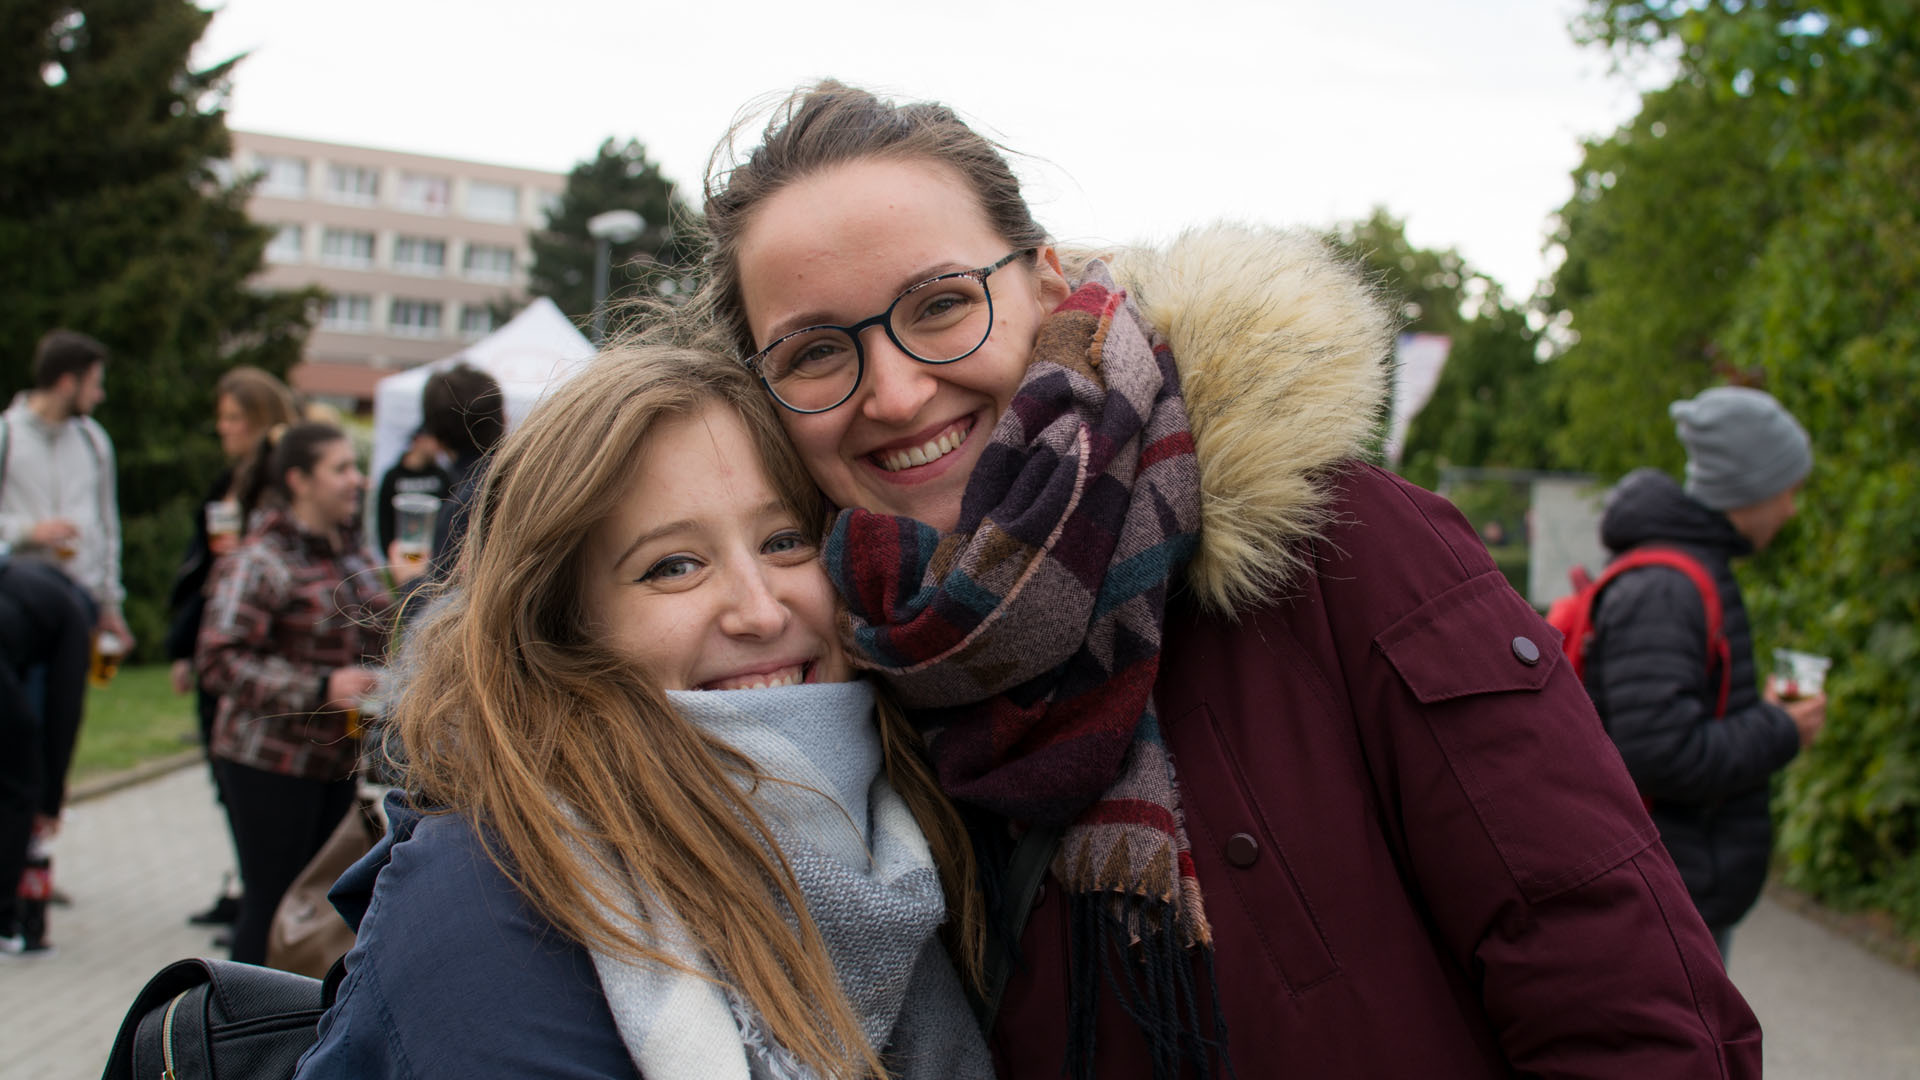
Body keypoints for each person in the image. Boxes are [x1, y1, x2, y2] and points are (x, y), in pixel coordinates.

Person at [692, 82, 1762, 1078]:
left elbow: (1633, 1012)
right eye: (814, 353)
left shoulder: (1337, 545)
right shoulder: (822, 676)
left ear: (1047, 284)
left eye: (939, 305)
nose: (892, 392)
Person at [298, 342, 989, 1079]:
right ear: (562, 628)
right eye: (674, 566)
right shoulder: (489, 903)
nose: (759, 612)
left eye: (785, 541)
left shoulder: (940, 816)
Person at [1584, 385, 1822, 957]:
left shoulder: (1689, 570)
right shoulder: (1667, 589)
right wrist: (1780, 728)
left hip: (1681, 889)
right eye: (1788, 489)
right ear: (1750, 487)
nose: (1791, 508)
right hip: (1667, 900)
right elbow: (1659, 753)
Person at [196, 421, 418, 966]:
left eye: (354, 467)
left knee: (318, 906)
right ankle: (239, 1009)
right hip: (270, 764)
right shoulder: (261, 559)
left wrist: (404, 587)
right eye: (340, 468)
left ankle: (298, 1009)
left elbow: (372, 632)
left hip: (335, 761)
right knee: (273, 904)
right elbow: (219, 660)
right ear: (299, 480)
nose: (357, 479)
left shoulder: (350, 549)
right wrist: (320, 687)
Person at [165, 367, 301, 930]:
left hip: (257, 654)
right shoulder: (229, 482)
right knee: (225, 779)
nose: (224, 428)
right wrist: (182, 646)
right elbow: (199, 568)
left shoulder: (276, 486)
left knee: (243, 781)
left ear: (262, 419)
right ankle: (247, 889)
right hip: (219, 632)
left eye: (234, 418)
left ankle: (254, 897)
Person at [0, 329, 129, 824]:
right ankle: (23, 830)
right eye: (94, 383)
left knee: (62, 725)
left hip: (79, 603)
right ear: (66, 381)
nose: (100, 395)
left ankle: (41, 829)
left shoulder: (94, 441)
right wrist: (29, 531)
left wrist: (111, 605)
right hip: (22, 607)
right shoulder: (8, 436)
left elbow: (107, 525)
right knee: (24, 727)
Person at [0, 554, 91, 953]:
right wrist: (49, 802)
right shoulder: (74, 615)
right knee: (20, 787)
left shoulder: (22, 579)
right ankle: (5, 922)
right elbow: (62, 711)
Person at [415, 363, 503, 576]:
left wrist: (410, 579)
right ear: (502, 418)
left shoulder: (463, 508)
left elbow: (441, 592)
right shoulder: (526, 477)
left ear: (436, 437)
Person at [372, 428, 450, 554]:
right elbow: (384, 518)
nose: (438, 447)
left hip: (432, 554)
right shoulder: (393, 476)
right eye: (435, 440)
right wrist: (389, 552)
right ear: (420, 440)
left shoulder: (442, 476)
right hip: (402, 551)